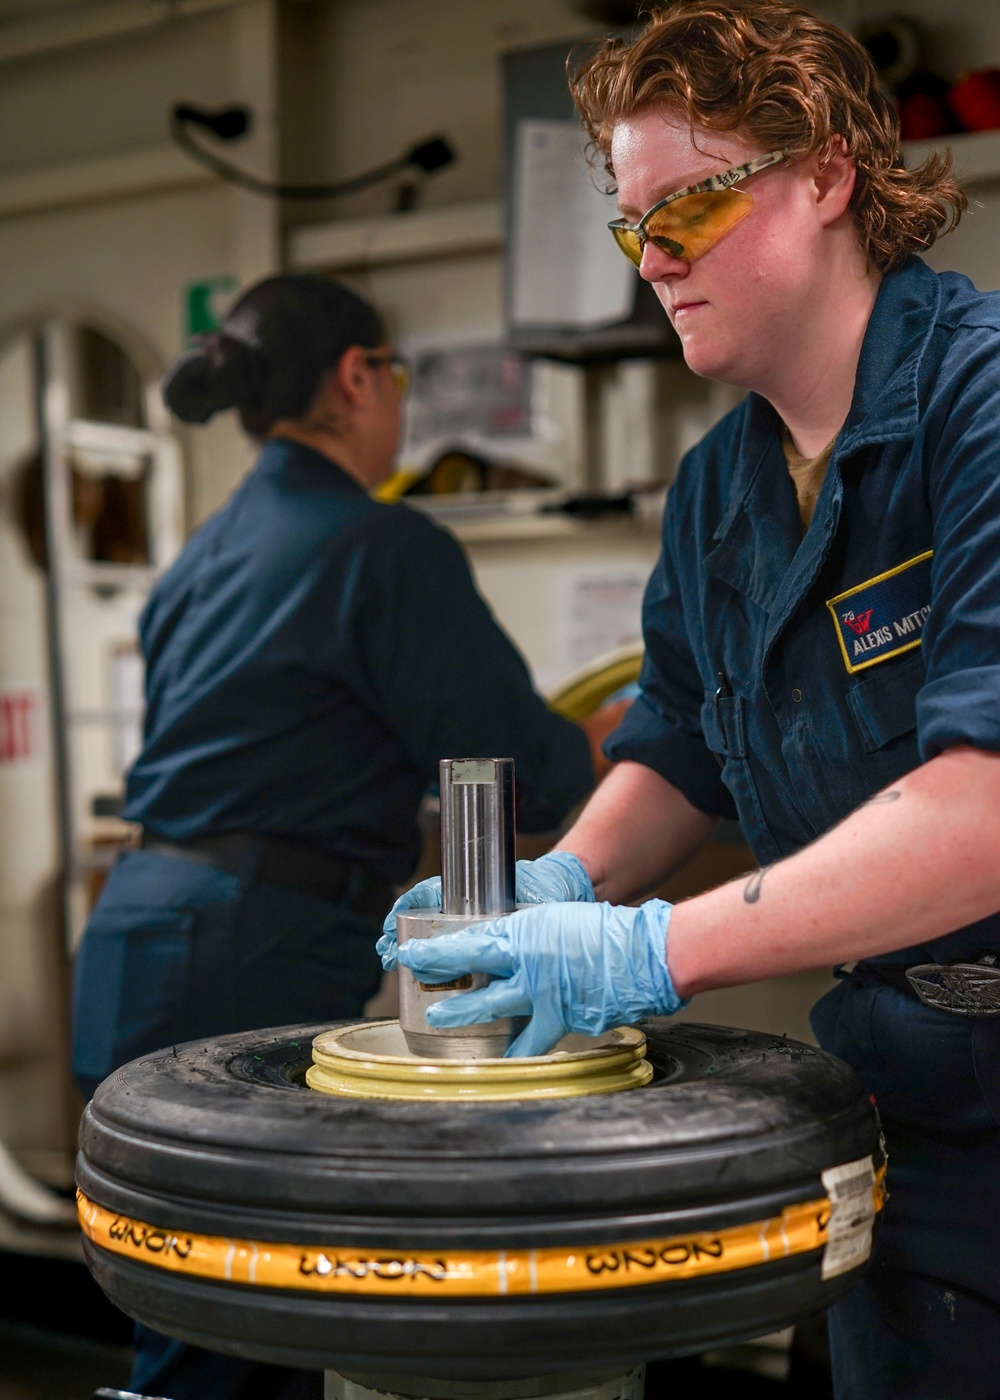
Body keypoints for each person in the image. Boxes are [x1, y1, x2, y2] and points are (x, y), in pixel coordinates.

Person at [383, 5, 1000, 1397]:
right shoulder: (722, 491)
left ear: (830, 176)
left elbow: (986, 810)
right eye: (636, 224)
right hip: (896, 1095)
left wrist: (641, 951)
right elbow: (676, 743)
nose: (653, 259)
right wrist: (552, 886)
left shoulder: (983, 406)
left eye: (695, 207)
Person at [71, 273, 614, 1400]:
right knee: (246, 1320)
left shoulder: (206, 555)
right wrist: (609, 749)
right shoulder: (382, 546)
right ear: (359, 377)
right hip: (245, 943)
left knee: (181, 1297)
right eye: (397, 378)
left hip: (132, 931)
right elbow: (501, 760)